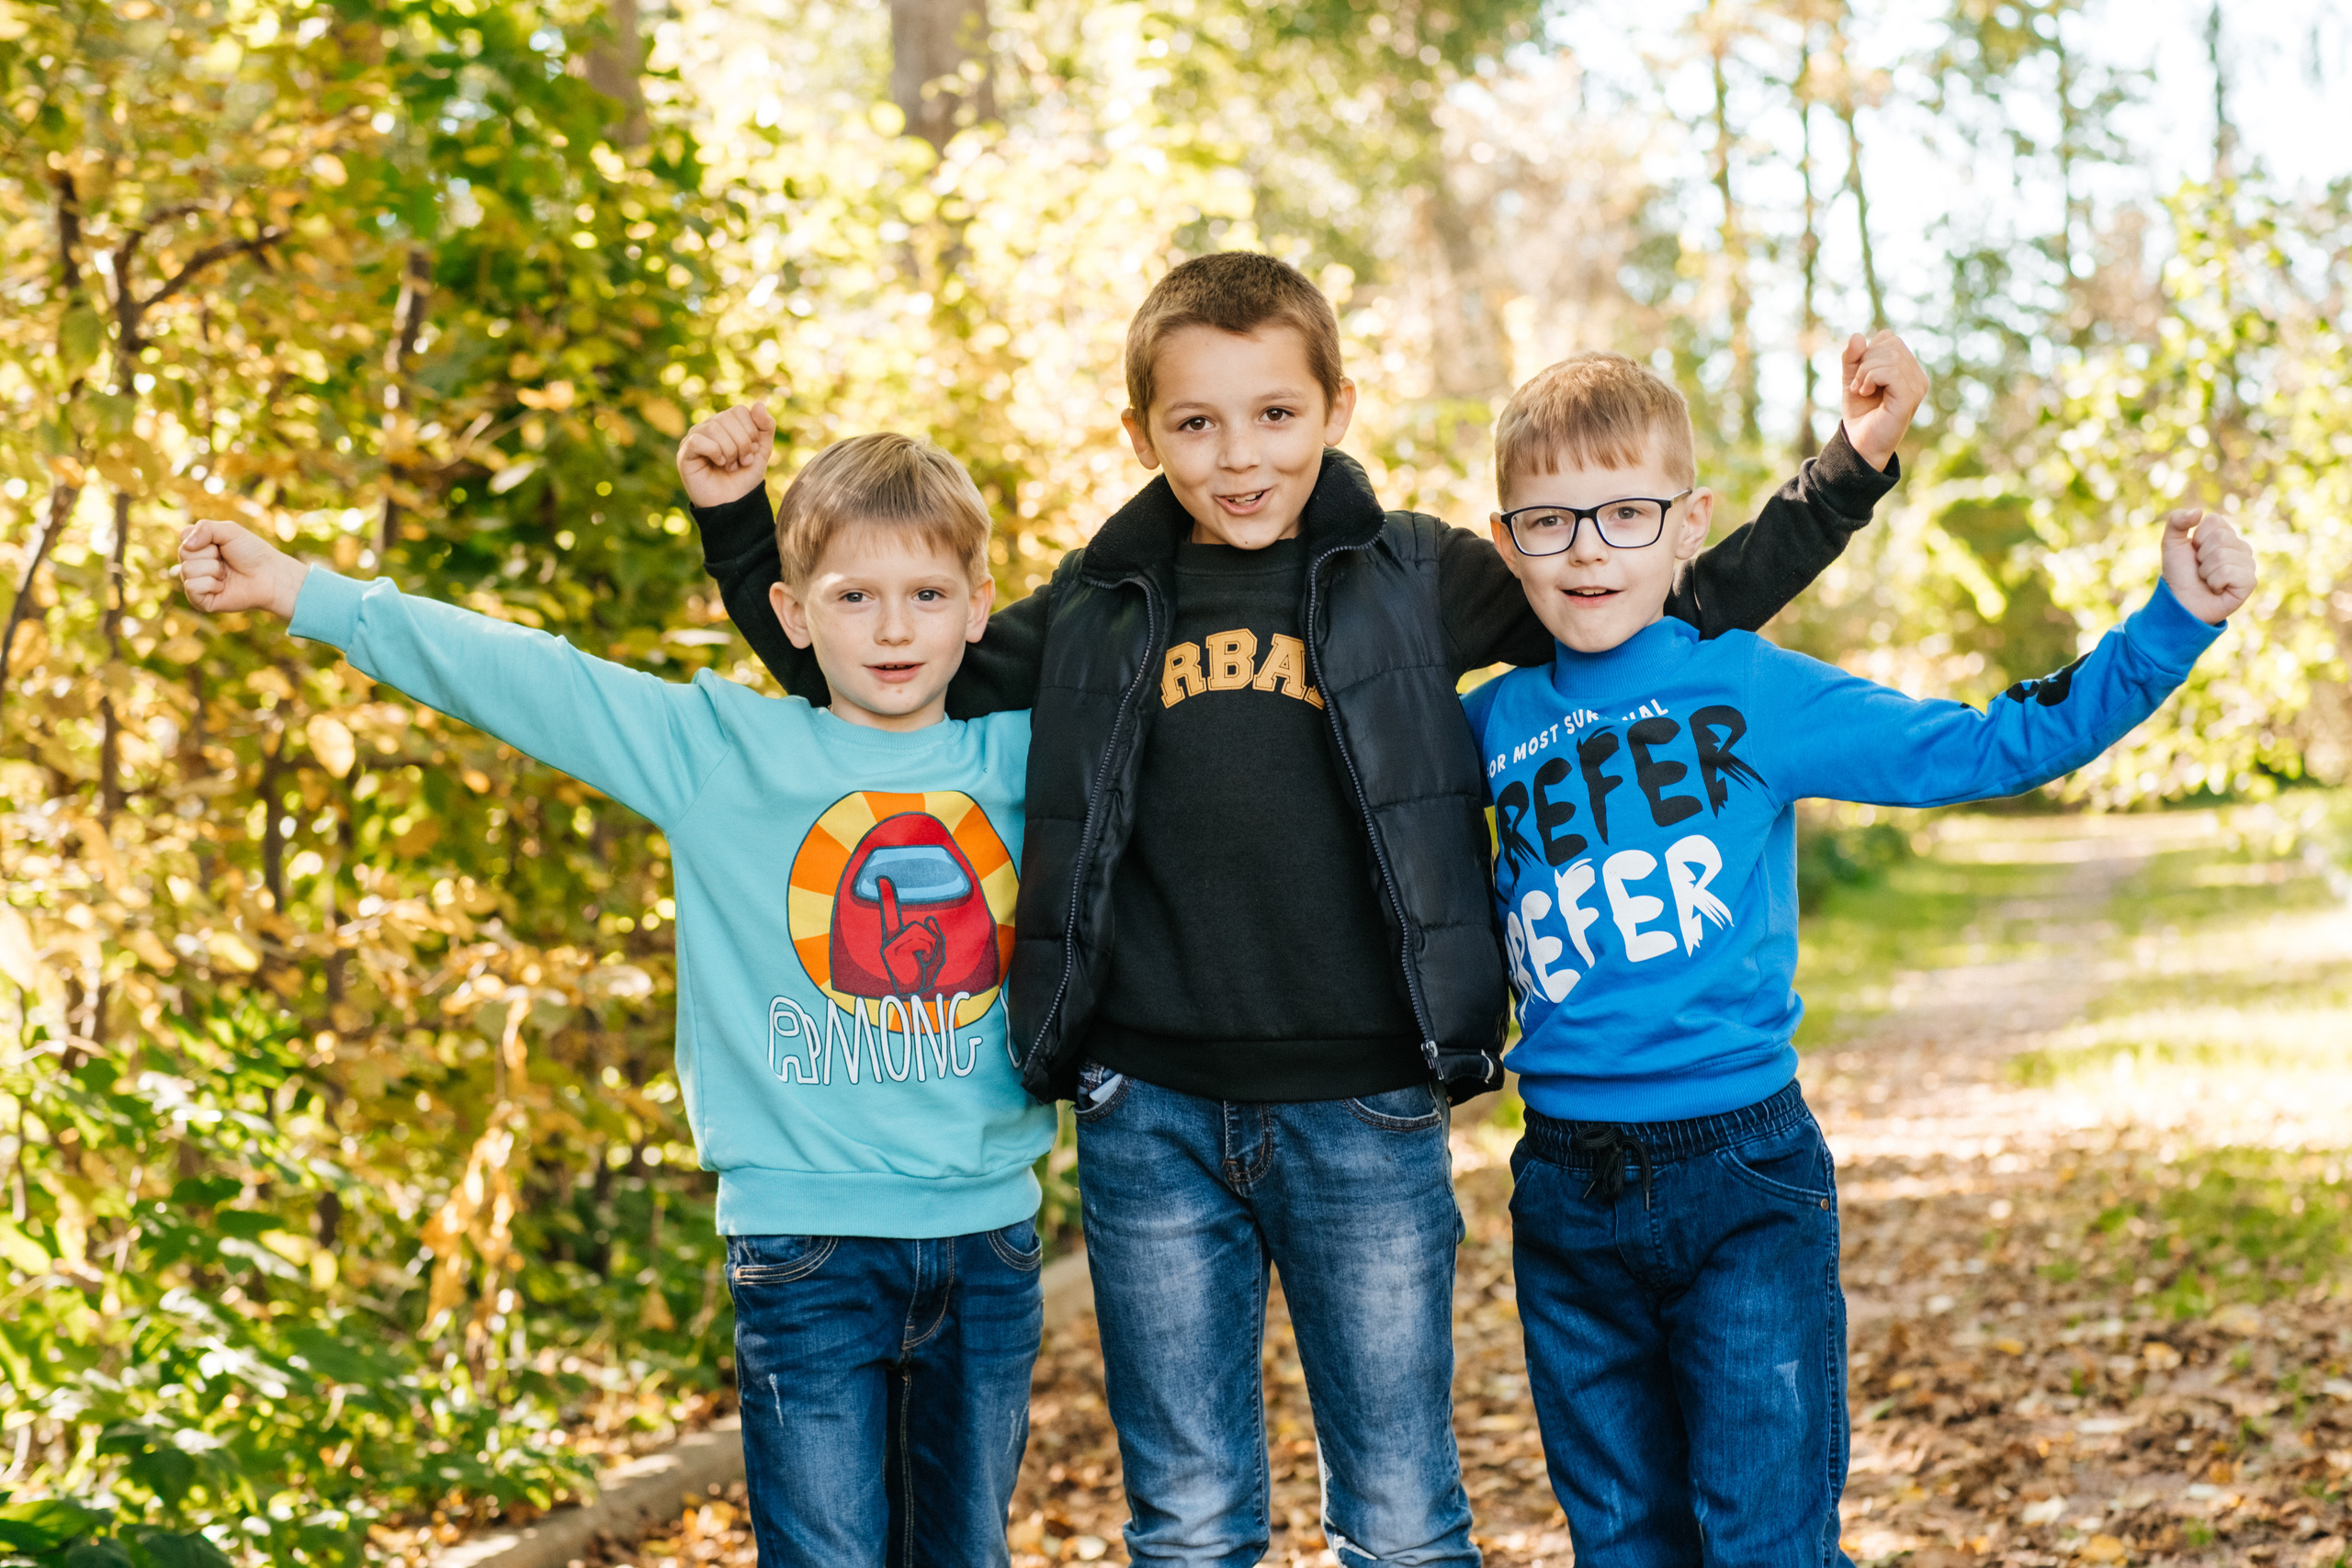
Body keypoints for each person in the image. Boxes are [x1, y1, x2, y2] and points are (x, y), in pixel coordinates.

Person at [686, 251, 1920, 1564]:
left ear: (1336, 407)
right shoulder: (1098, 608)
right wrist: (740, 528)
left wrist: (1845, 467)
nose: (1239, 455)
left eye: (1275, 413)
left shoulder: (1415, 571)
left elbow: (1663, 598)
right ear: (1141, 432)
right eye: (1196, 421)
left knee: (1396, 1516)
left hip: (1365, 1110)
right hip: (1146, 1111)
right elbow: (880, 674)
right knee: (1192, 1518)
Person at [175, 432, 1057, 1568]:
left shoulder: (1031, 757)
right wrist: (307, 591)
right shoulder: (724, 751)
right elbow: (529, 678)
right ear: (791, 613)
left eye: (927, 594)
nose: (894, 629)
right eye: (856, 597)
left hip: (986, 1242)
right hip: (806, 1247)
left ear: (980, 607)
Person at [1463, 350, 2256, 1566]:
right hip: (1565, 1188)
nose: (1586, 548)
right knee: (1622, 1538)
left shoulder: (1746, 689)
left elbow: (1985, 745)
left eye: (1625, 513)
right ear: (1505, 540)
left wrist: (2171, 626)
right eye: (1548, 519)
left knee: (1764, 1535)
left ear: (1688, 525)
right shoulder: (1483, 723)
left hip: (1741, 1172)